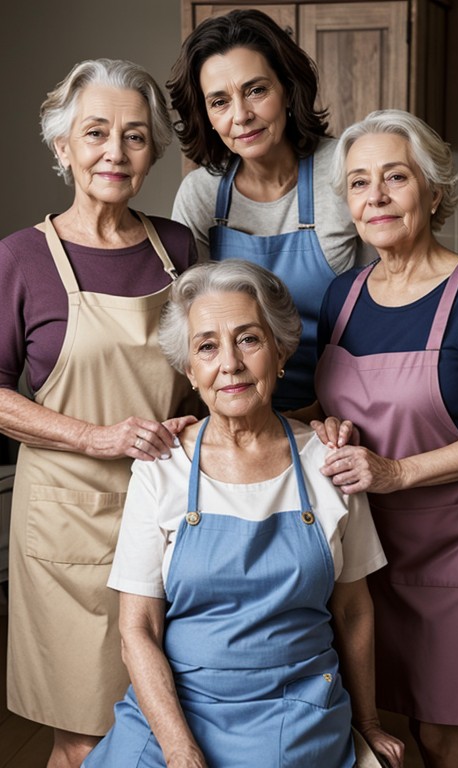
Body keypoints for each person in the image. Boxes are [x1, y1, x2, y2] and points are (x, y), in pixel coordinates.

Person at [82, 260, 404, 768]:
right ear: (190, 369)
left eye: (248, 339)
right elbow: (138, 629)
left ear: (279, 353)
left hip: (292, 710)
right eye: (206, 346)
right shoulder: (161, 467)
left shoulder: (328, 461)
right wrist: (180, 749)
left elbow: (353, 610)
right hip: (174, 711)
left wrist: (367, 724)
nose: (228, 363)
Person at [0, 58, 200, 768]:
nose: (115, 152)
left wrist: (192, 420)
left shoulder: (177, 249)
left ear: (154, 151)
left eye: (136, 137)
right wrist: (98, 435)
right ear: (63, 147)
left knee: (160, 722)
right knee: (86, 737)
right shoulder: (21, 258)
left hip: (166, 511)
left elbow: (202, 373)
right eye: (96, 133)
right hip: (66, 525)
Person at [307, 109, 458, 768]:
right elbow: (331, 403)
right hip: (366, 551)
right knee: (378, 724)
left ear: (432, 190)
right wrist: (324, 426)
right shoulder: (343, 296)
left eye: (395, 177)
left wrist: (396, 472)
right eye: (360, 183)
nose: (377, 197)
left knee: (444, 731)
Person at [167, 8, 372, 411]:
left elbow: (384, 308)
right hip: (237, 412)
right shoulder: (200, 195)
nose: (241, 116)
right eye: (220, 101)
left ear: (288, 89)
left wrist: (322, 414)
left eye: (256, 90)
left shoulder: (345, 169)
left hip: (343, 411)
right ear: (206, 115)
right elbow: (191, 328)